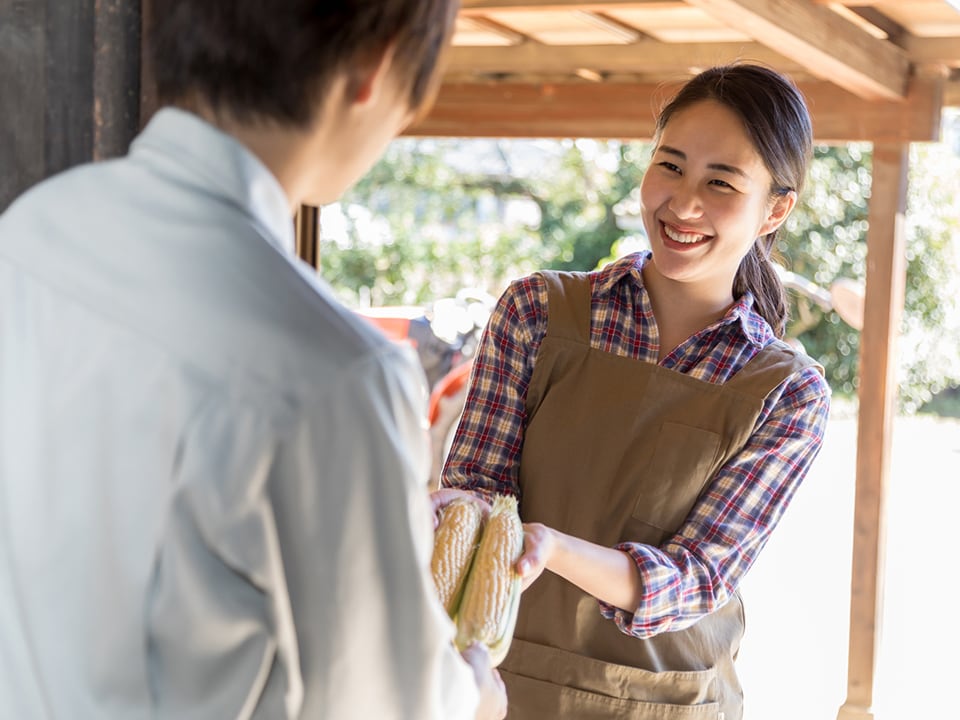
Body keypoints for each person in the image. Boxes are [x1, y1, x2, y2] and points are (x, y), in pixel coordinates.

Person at [0, 1, 507, 719]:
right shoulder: (338, 374)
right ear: (376, 66)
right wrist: (475, 697)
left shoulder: (30, 230)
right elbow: (379, 703)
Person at [436, 63, 831, 719]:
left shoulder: (787, 395)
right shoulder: (536, 312)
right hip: (501, 688)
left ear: (776, 209)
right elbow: (476, 491)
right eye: (670, 166)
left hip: (668, 702)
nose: (683, 204)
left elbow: (698, 578)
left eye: (721, 182)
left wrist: (553, 548)